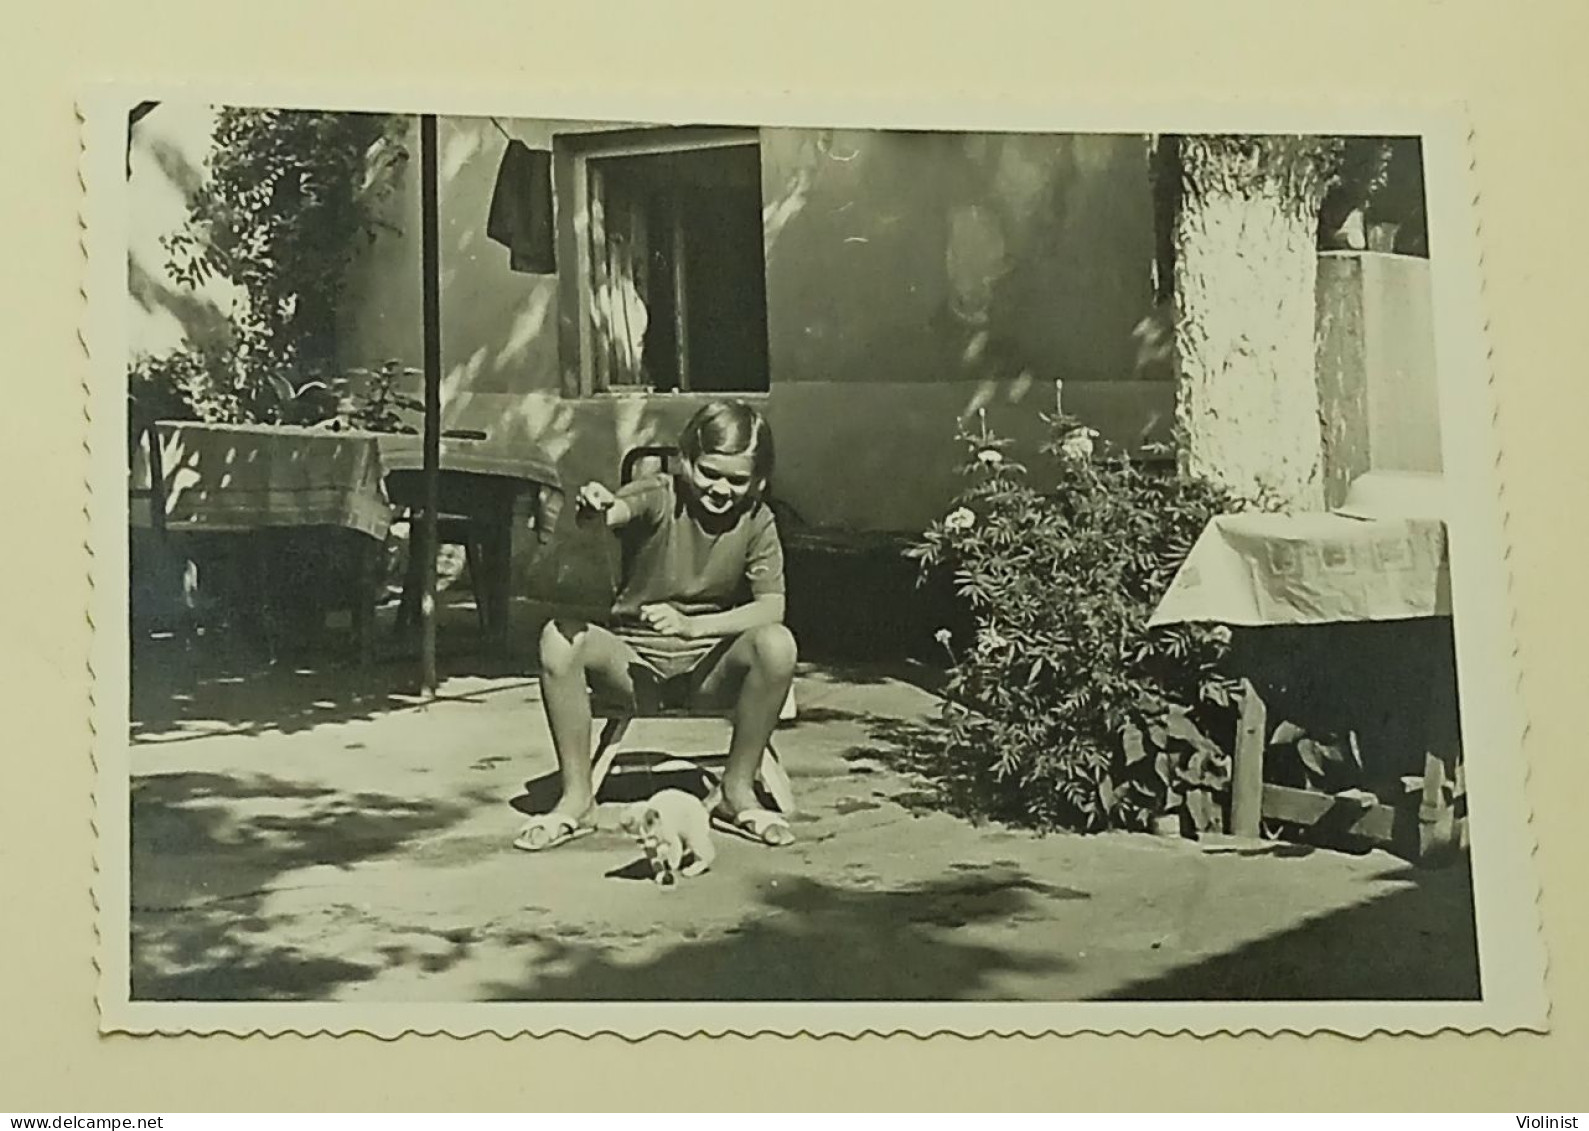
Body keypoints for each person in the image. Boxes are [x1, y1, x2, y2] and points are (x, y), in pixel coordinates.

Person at [514, 400, 799, 852]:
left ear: (759, 482)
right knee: (558, 638)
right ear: (686, 461)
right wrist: (597, 507)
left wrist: (693, 628)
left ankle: (735, 789)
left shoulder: (758, 520)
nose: (721, 488)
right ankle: (577, 798)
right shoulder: (660, 494)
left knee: (777, 644)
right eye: (709, 472)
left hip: (708, 669)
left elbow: (771, 608)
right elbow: (615, 513)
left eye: (737, 480)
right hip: (633, 666)